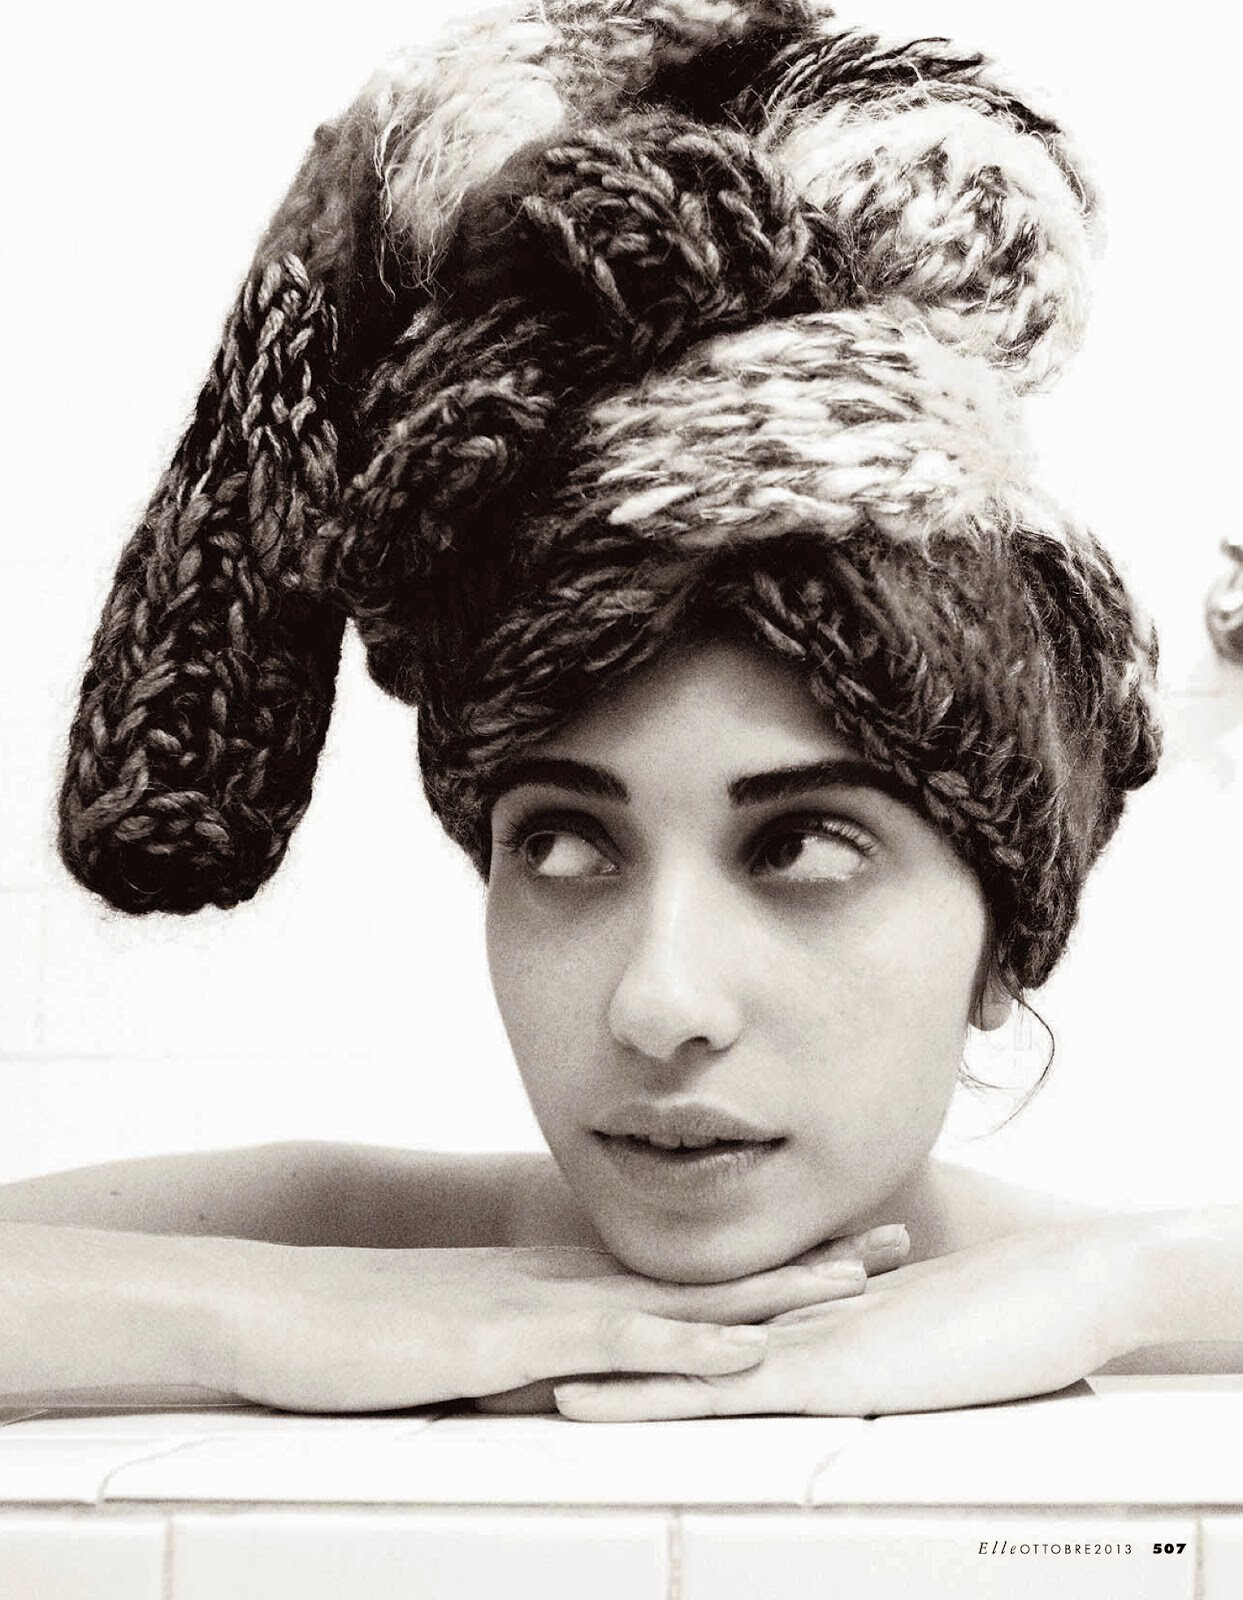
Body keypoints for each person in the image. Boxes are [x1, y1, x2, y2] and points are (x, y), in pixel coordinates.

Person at [4, 0, 1241, 1421]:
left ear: (1003, 947)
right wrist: (256, 1314)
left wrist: (1130, 1286)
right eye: (562, 843)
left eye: (803, 846)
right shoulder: (372, 1246)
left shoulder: (1109, 1307)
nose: (660, 1006)